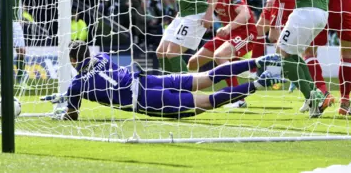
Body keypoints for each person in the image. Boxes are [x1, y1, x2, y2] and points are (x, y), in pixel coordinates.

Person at [41, 41, 286, 120]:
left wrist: (62, 110)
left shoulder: (76, 85)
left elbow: (72, 115)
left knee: (207, 101)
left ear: (73, 60)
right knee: (206, 77)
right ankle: (260, 61)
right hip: (150, 80)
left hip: (148, 98)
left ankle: (256, 84)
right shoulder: (103, 56)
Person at [188, 0, 261, 108]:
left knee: (220, 55)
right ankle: (187, 94)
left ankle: (237, 99)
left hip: (245, 32)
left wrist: (228, 27)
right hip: (227, 34)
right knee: (193, 62)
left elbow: (245, 14)